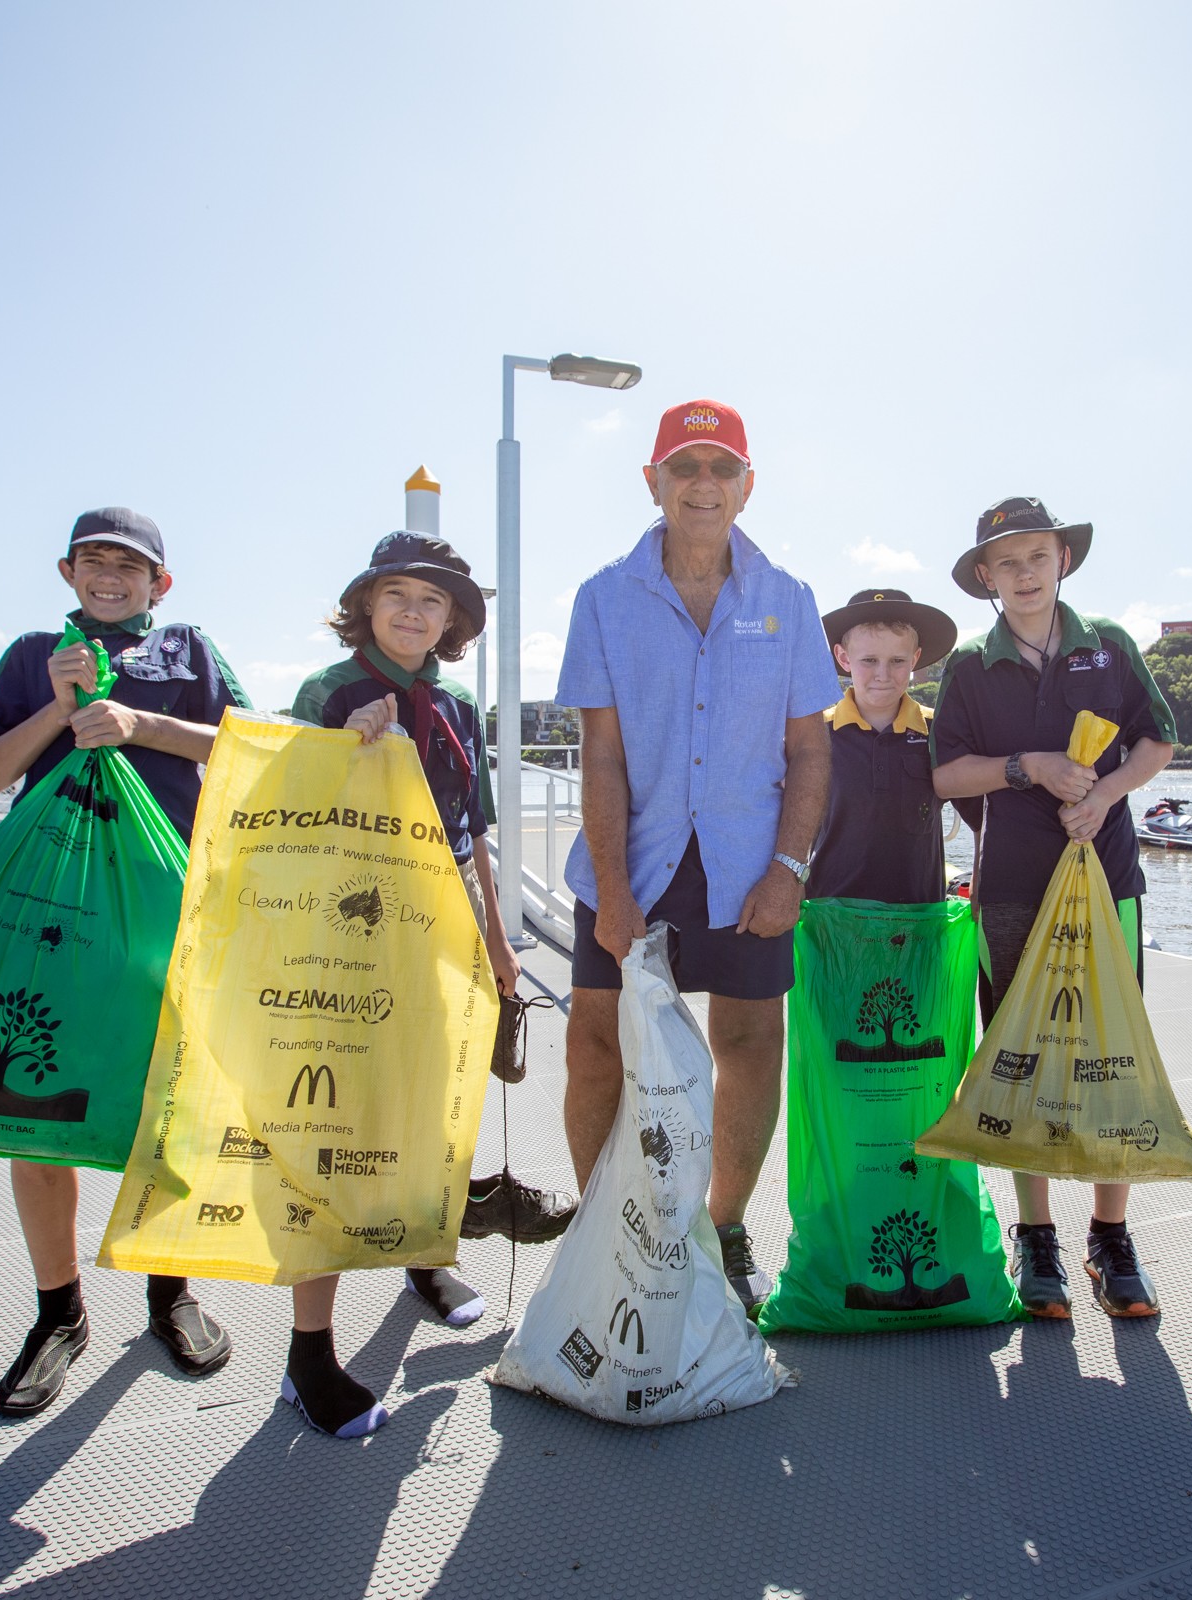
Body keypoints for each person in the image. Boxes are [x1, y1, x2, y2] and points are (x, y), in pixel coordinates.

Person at [0, 507, 245, 1416]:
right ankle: (59, 1314)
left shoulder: (192, 651)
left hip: (166, 905)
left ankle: (171, 1295)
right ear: (68, 570)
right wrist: (58, 704)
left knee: (164, 1107)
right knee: (32, 1107)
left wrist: (139, 722)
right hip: (51, 909)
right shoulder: (34, 652)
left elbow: (248, 755)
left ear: (162, 583)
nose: (111, 575)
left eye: (132, 564)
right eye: (95, 560)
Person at [556, 398, 839, 1316]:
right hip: (630, 863)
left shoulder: (790, 601)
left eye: (723, 468)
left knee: (750, 1043)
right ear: (655, 482)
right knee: (597, 1049)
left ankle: (722, 1227)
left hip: (751, 867)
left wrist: (789, 870)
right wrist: (608, 887)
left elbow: (811, 752)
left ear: (747, 486)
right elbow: (600, 754)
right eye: (686, 468)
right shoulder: (602, 598)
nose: (704, 483)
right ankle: (605, 1231)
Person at [282, 531, 558, 1436]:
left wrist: (498, 938)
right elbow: (286, 812)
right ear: (365, 606)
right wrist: (343, 752)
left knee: (437, 1109)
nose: (412, 611)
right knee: (333, 1127)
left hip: (442, 924)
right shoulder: (328, 693)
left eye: (432, 600)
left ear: (452, 621)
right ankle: (308, 1352)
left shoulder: (457, 702)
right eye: (396, 593)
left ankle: (425, 1261)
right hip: (349, 925)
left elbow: (475, 829)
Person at [931, 498, 1178, 1319]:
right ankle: (1036, 1236)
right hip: (1007, 887)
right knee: (1019, 1058)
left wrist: (1106, 791)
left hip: (1108, 881)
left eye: (1037, 555)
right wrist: (1027, 766)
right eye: (1006, 562)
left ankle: (1110, 1236)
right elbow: (943, 775)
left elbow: (1158, 739)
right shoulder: (968, 665)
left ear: (1062, 560)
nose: (1025, 573)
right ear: (985, 578)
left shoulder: (1108, 644)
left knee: (1114, 1055)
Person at [809, 587, 960, 904]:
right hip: (830, 918)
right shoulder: (814, 733)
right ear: (843, 658)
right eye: (869, 660)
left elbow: (979, 809)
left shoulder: (940, 730)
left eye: (897, 661)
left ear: (915, 659)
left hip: (918, 921)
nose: (883, 674)